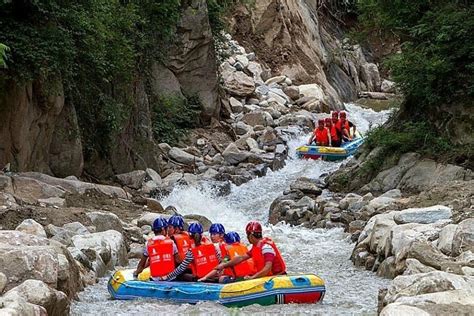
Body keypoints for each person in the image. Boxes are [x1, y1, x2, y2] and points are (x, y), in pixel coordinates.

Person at [214, 221, 286, 280]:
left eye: (247, 235)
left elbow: (267, 268)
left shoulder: (266, 248)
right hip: (267, 278)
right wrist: (224, 265)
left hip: (278, 278)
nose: (247, 238)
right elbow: (241, 258)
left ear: (251, 236)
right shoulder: (256, 247)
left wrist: (252, 278)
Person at [157, 223, 221, 282]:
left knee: (180, 275)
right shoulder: (212, 247)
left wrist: (166, 277)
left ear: (189, 236)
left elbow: (181, 268)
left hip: (201, 279)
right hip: (214, 277)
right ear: (202, 235)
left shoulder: (191, 251)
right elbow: (220, 261)